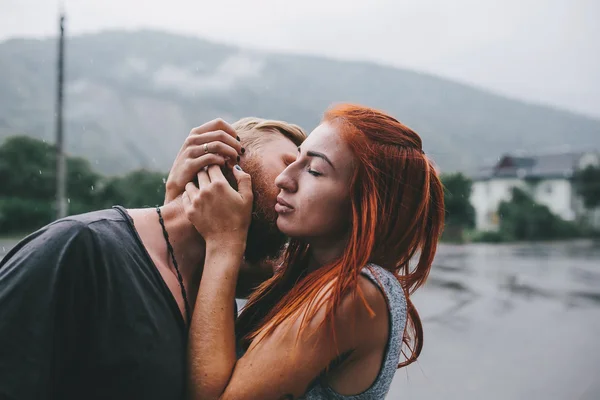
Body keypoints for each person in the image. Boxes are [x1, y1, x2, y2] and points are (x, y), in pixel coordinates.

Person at [0, 117, 306, 400]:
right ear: (226, 159)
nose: (299, 185)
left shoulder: (216, 305)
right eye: (288, 162)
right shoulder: (79, 246)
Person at [184, 104, 445, 400]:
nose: (283, 178)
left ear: (363, 203)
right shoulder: (298, 271)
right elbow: (192, 285)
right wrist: (177, 195)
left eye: (314, 170)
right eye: (295, 159)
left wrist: (224, 243)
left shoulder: (356, 293)